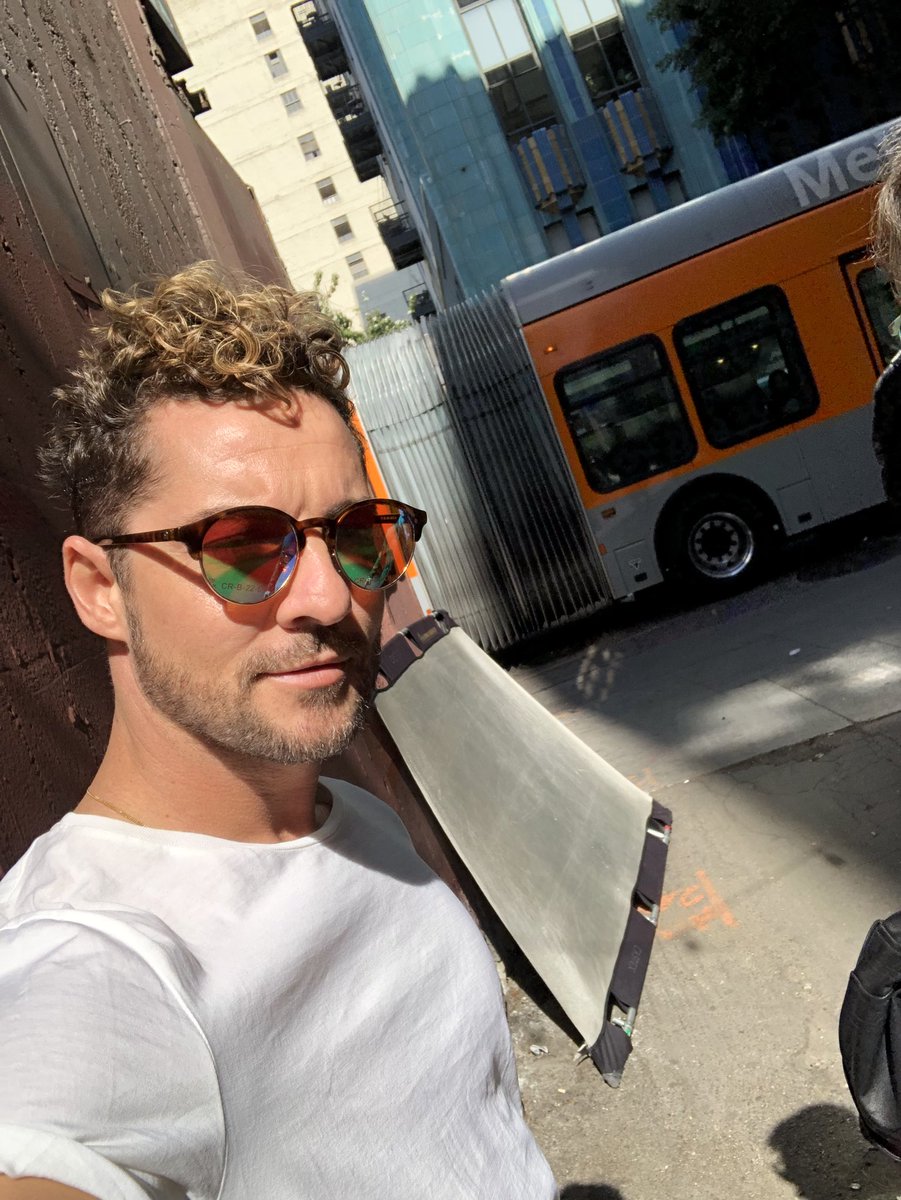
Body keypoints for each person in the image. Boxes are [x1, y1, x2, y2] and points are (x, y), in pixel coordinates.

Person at [0, 263, 558, 1199]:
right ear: (101, 589)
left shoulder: (348, 817)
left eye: (359, 534)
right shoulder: (101, 960)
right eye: (244, 548)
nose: (331, 598)